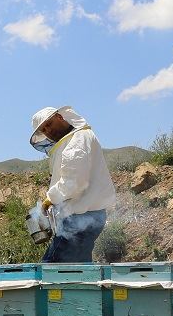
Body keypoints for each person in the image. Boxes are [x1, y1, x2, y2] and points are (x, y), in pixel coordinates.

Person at [29, 105, 116, 263]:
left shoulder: (77, 140)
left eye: (49, 124)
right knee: (78, 271)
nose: (48, 131)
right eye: (43, 130)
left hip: (81, 218)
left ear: (60, 117)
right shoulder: (77, 138)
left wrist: (50, 199)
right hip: (85, 217)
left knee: (51, 269)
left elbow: (74, 183)